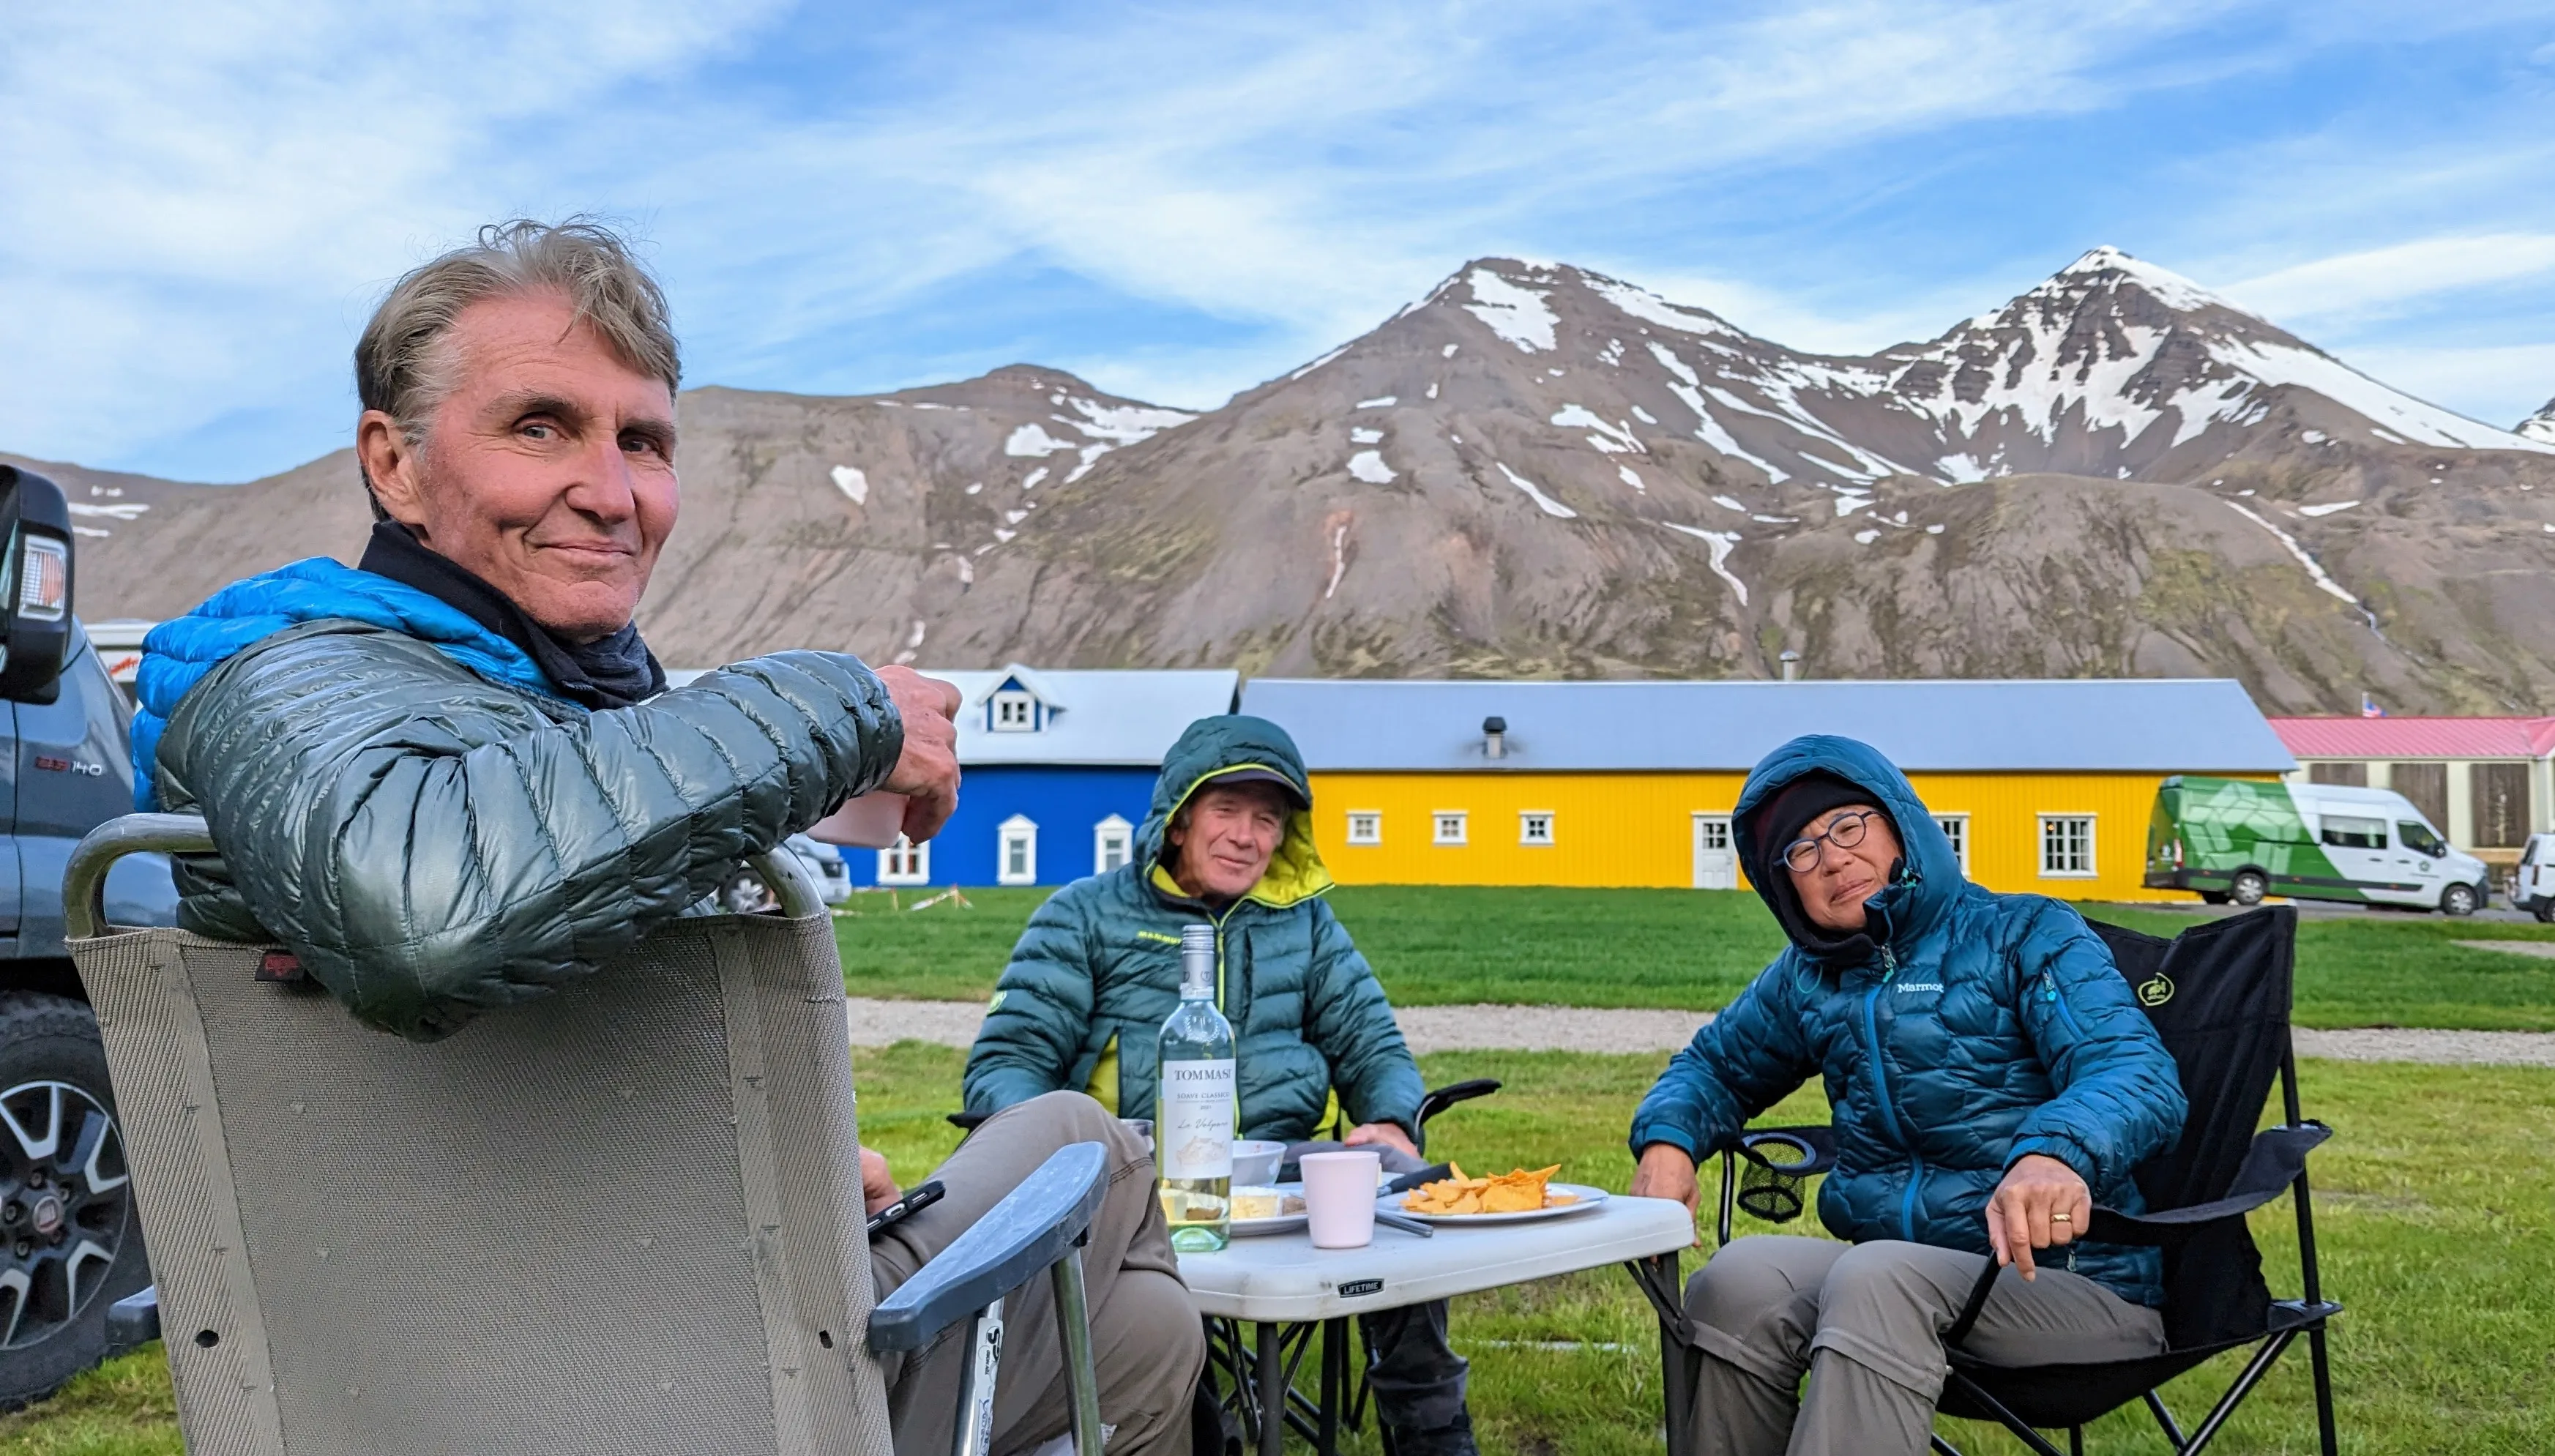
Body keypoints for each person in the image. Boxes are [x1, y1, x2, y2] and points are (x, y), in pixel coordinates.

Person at [130, 218, 1201, 1456]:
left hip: (624, 1308)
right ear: (395, 462)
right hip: (619, 1391)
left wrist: (776, 1162)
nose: (612, 491)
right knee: (1092, 1142)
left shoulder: (543, 723)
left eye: (643, 441)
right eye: (539, 426)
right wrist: (845, 708)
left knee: (1146, 1334)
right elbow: (419, 907)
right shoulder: (287, 679)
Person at [1626, 735, 2187, 1456]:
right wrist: (1669, 1142)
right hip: (1892, 1288)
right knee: (1736, 1282)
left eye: (1847, 825)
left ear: (1901, 824)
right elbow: (1713, 1067)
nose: (1832, 858)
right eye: (1800, 851)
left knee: (1876, 1274)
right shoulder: (1807, 978)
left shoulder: (2024, 933)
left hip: (2070, 1284)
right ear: (1782, 886)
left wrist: (2056, 1153)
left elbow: (2135, 1071)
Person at [963, 714, 1480, 1456]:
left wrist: (1393, 1120)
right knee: (1155, 1291)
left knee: (1398, 1192)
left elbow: (1372, 1042)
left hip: (1278, 1170)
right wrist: (1065, 1153)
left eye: (1267, 819)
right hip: (1132, 1175)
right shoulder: (1084, 914)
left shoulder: (1304, 923)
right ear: (1178, 821)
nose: (1246, 836)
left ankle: (1431, 1432)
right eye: (1226, 810)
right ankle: (1205, 1433)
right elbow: (1006, 1064)